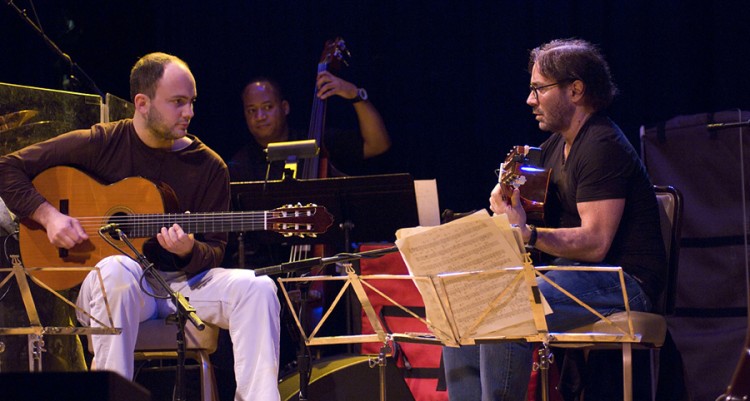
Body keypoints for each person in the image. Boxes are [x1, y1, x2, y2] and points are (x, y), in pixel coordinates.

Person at [0, 52, 281, 401]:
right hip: (121, 286)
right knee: (117, 270)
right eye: (178, 102)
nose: (189, 113)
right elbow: (7, 168)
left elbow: (215, 250)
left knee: (258, 287)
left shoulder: (210, 166)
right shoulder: (103, 142)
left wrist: (190, 250)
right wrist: (48, 216)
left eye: (191, 102)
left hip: (185, 287)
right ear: (142, 102)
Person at [441, 39, 667, 400]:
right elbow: (523, 209)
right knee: (465, 310)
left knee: (510, 309)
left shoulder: (602, 145)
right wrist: (504, 203)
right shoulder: (554, 147)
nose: (530, 100)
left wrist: (527, 234)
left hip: (625, 282)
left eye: (538, 89)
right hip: (571, 275)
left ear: (575, 90)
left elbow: (595, 243)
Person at [227, 71, 391, 181]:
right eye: (251, 110)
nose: (260, 117)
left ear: (285, 107)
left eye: (268, 107)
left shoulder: (319, 144)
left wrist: (355, 95)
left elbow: (378, 145)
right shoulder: (238, 167)